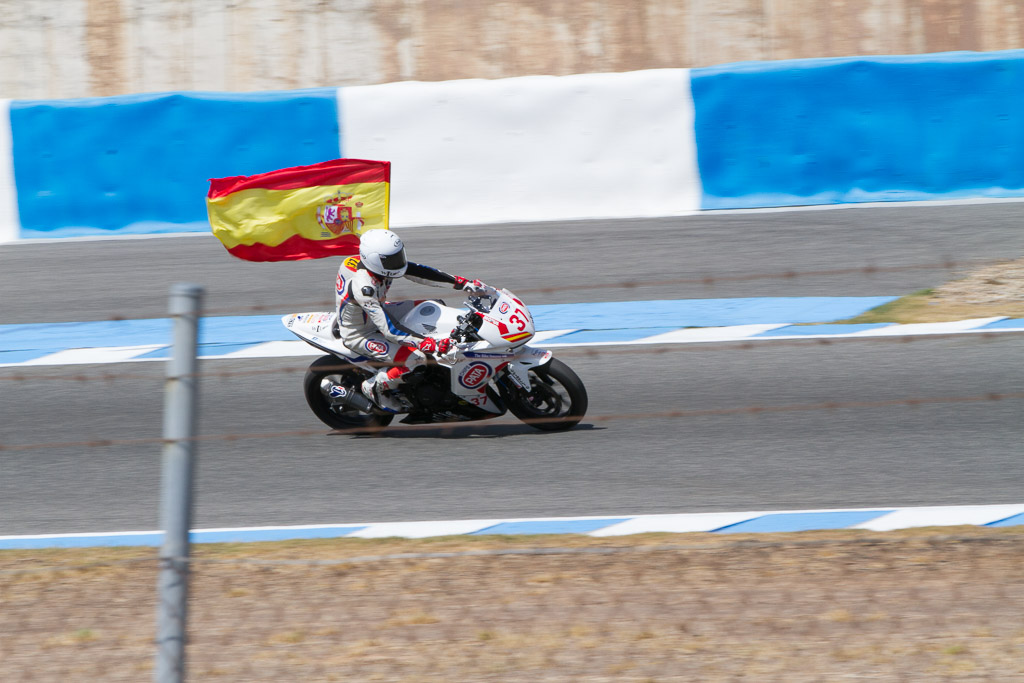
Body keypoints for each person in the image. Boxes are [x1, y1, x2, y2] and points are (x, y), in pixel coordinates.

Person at [334, 229, 489, 412]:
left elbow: (418, 272)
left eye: (399, 255)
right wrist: (427, 343)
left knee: (433, 306)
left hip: (377, 311)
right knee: (416, 360)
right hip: (360, 333)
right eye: (392, 259)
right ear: (374, 260)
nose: (398, 262)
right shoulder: (364, 287)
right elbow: (390, 330)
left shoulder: (377, 265)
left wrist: (461, 283)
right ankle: (376, 386)